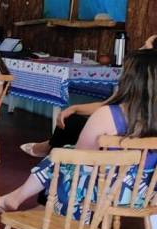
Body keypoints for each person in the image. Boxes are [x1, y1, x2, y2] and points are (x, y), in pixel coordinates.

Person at [0, 50, 157, 229]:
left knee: (65, 162)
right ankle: (16, 200)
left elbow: (79, 157)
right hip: (142, 196)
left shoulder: (108, 115)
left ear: (130, 80)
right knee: (65, 160)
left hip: (106, 193)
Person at [19, 33, 157, 158]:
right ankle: (51, 146)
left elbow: (107, 110)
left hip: (111, 159)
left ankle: (52, 149)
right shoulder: (139, 94)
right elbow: (108, 105)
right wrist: (74, 108)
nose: (141, 48)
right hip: (143, 169)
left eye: (146, 47)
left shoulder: (113, 108)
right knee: (73, 120)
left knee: (73, 124)